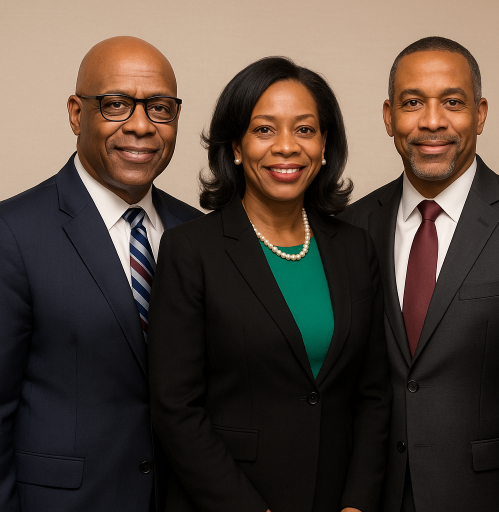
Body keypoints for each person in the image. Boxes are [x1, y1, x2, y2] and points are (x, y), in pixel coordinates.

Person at [339, 36, 499, 511]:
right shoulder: (350, 227)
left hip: (487, 496)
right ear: (389, 116)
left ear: (481, 113)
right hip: (368, 495)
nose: (432, 121)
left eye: (453, 102)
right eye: (413, 103)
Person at [148, 56, 391, 512]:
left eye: (304, 129)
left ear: (324, 146)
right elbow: (176, 409)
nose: (286, 147)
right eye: (264, 130)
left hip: (336, 498)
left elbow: (374, 395)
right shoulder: (191, 250)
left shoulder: (355, 248)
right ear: (236, 147)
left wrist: (357, 503)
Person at [0, 37, 201, 512]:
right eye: (115, 105)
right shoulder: (12, 234)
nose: (140, 126)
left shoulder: (197, 232)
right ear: (76, 113)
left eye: (159, 108)